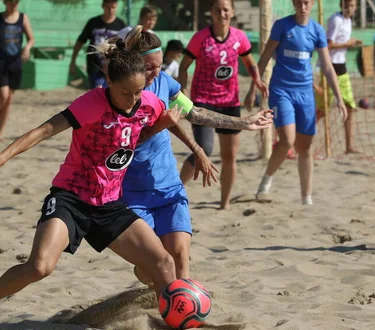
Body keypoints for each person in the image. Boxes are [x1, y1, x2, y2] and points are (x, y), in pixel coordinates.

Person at [0, 43, 184, 330]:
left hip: (109, 204)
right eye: (126, 92)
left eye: (138, 92)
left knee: (163, 261)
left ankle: (173, 325)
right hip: (71, 198)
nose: (133, 99)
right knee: (40, 266)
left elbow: (168, 118)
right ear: (109, 82)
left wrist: (203, 139)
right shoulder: (90, 104)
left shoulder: (148, 102)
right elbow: (43, 130)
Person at [114, 26, 274, 285]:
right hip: (133, 191)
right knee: (152, 270)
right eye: (148, 68)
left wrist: (243, 122)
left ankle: (184, 307)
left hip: (167, 185)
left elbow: (195, 114)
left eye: (158, 65)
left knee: (179, 256)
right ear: (132, 63)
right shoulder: (122, 94)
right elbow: (128, 140)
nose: (155, 73)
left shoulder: (164, 82)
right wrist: (161, 126)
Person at [245, 0, 348, 206]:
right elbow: (264, 58)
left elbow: (327, 66)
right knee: (287, 140)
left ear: (311, 4)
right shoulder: (282, 26)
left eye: (307, 2)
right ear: (294, 3)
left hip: (305, 93)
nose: (303, 6)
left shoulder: (317, 30)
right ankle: (267, 180)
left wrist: (339, 98)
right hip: (281, 90)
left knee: (306, 147)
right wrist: (252, 89)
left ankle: (306, 198)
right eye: (299, 2)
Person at [178, 0, 268, 211]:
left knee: (230, 156)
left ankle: (224, 203)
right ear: (212, 12)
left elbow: (250, 63)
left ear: (233, 12)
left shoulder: (239, 37)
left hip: (229, 103)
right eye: (218, 9)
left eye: (226, 9)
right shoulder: (201, 38)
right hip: (202, 102)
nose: (222, 13)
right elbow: (184, 66)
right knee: (205, 149)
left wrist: (255, 85)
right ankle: (175, 190)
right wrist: (182, 91)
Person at [0, 0, 34, 141]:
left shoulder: (23, 18)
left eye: (16, 2)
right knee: (3, 95)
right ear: (5, 2)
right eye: (11, 1)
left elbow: (31, 38)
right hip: (0, 62)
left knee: (9, 99)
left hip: (16, 63)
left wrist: (27, 47)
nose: (14, 4)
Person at [314, 0, 363, 154]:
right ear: (341, 5)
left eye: (352, 6)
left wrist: (352, 42)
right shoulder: (336, 20)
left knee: (350, 107)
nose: (349, 9)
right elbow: (327, 45)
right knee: (322, 110)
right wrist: (347, 45)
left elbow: (342, 43)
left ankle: (349, 146)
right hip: (330, 69)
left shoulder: (348, 21)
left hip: (342, 69)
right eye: (347, 5)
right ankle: (299, 136)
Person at [69, 0, 126, 89]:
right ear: (103, 6)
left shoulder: (120, 25)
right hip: (95, 68)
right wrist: (73, 61)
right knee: (98, 92)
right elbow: (80, 41)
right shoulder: (93, 23)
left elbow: (125, 47)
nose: (111, 10)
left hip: (113, 68)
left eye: (113, 7)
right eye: (108, 7)